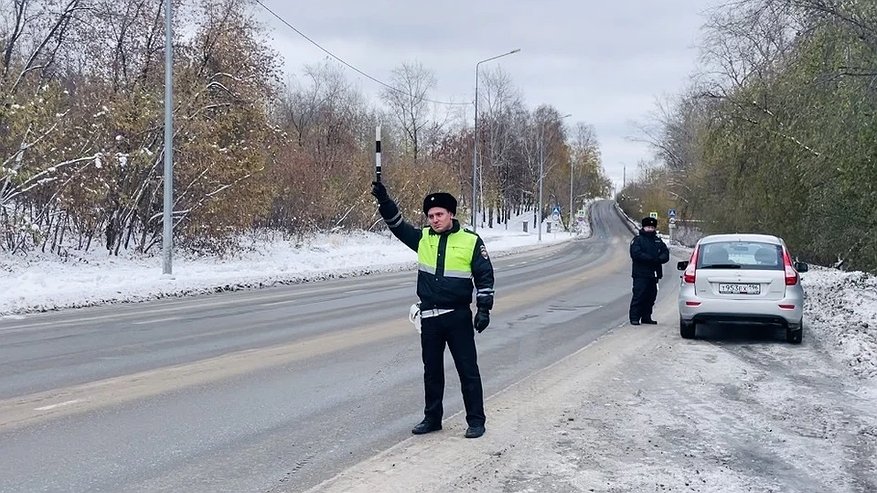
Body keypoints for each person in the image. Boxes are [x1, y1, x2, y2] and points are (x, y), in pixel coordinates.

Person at [371, 180, 495, 439]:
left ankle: (475, 420)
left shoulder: (470, 241)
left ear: (451, 214)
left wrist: (484, 309)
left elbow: (485, 277)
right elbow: (397, 225)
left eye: (439, 214)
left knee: (467, 370)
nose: (435, 220)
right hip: (429, 318)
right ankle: (432, 418)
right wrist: (384, 201)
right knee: (432, 371)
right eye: (431, 216)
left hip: (458, 317)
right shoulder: (422, 239)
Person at [629, 216, 670, 325]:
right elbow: (636, 254)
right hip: (641, 273)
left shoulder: (658, 240)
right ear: (644, 227)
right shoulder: (638, 240)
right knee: (639, 295)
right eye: (648, 227)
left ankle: (646, 317)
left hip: (654, 274)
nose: (650, 229)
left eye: (652, 227)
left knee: (651, 296)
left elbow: (665, 253)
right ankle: (634, 317)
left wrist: (659, 259)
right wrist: (651, 259)